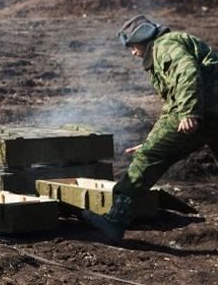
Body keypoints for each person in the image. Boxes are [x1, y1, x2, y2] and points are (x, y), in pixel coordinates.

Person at [82, 15, 218, 243]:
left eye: (132, 47)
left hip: (204, 111)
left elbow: (187, 72)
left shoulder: (165, 46)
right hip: (213, 111)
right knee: (151, 148)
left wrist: (189, 113)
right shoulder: (171, 43)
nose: (133, 53)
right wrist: (152, 139)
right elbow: (170, 107)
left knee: (147, 159)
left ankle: (115, 221)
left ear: (143, 38)